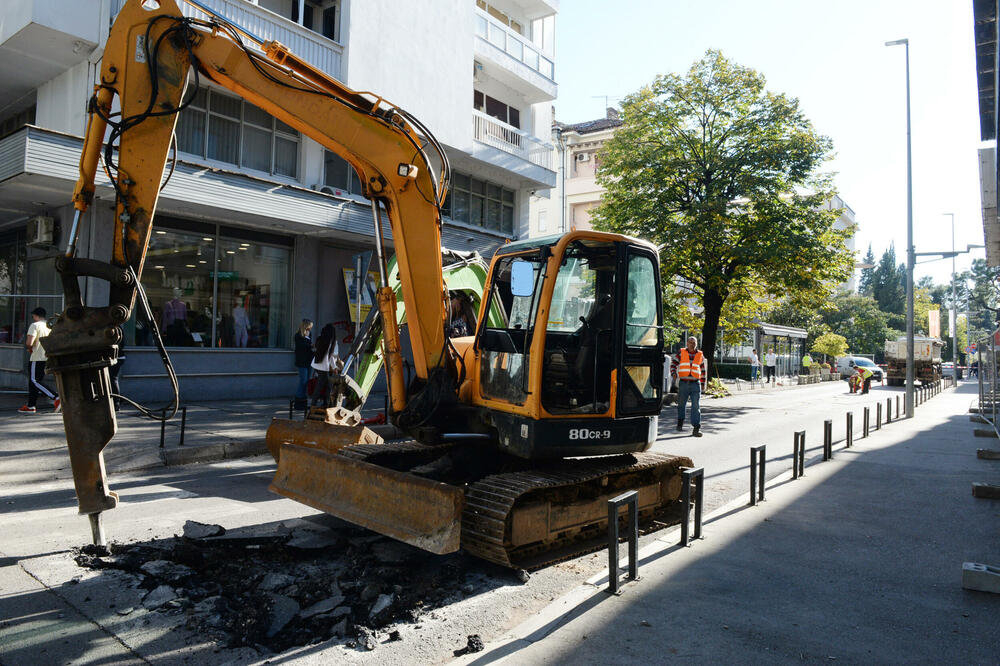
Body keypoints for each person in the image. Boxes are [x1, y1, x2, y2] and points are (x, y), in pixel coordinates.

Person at [20, 308, 59, 414]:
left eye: (33, 316)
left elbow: (29, 342)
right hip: (47, 356)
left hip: (37, 357)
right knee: (35, 382)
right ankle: (31, 406)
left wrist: (29, 348)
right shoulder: (49, 326)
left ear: (35, 315)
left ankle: (55, 397)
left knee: (35, 381)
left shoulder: (35, 325)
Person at [671, 336, 707, 437]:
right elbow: (674, 363)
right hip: (684, 383)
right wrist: (673, 373)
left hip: (696, 383)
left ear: (696, 343)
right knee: (681, 404)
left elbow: (703, 370)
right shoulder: (681, 352)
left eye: (694, 342)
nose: (693, 344)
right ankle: (680, 422)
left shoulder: (700, 354)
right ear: (687, 343)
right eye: (691, 342)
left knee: (696, 406)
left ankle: (696, 428)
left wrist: (703, 383)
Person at [309, 323, 342, 408]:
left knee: (326, 384)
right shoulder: (332, 342)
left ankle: (324, 402)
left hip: (316, 365)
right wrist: (334, 367)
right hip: (324, 367)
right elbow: (331, 356)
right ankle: (316, 403)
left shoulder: (320, 339)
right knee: (323, 384)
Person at [293, 319, 314, 409]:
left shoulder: (309, 334)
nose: (310, 329)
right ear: (305, 326)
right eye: (309, 327)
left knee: (306, 381)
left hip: (308, 360)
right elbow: (301, 347)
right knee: (303, 380)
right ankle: (299, 400)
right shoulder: (298, 335)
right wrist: (310, 345)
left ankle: (303, 400)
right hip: (302, 361)